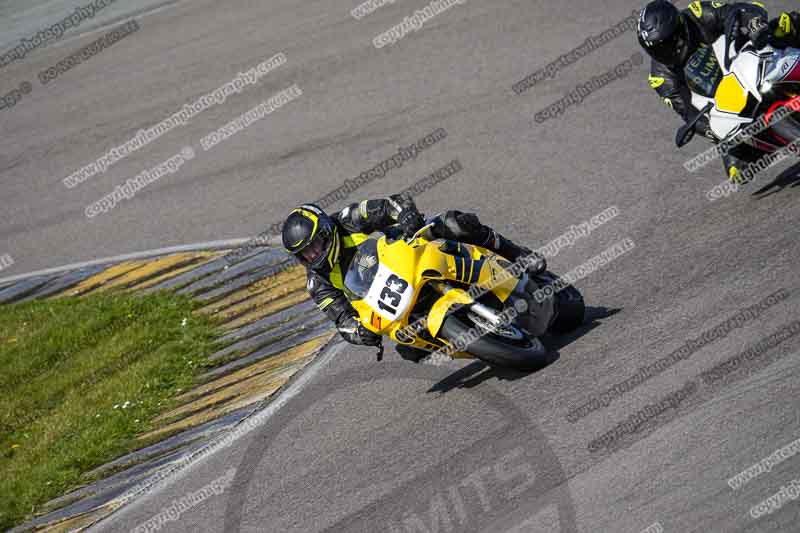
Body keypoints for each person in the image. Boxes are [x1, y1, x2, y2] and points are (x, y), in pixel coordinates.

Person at [280, 195, 543, 359]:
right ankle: (473, 342)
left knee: (454, 223)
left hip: (408, 250)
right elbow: (342, 320)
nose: (314, 255)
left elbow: (390, 204)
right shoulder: (318, 284)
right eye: (306, 254)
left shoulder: (348, 219)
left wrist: (404, 215)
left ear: (327, 230)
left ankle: (516, 253)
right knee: (409, 350)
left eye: (315, 245)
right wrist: (359, 332)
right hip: (389, 297)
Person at [637, 0, 800, 182]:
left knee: (785, 25)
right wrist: (715, 133)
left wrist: (754, 23)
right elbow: (689, 113)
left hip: (746, 56)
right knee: (737, 168)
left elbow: (742, 9)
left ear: (679, 29)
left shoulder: (698, 14)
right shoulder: (660, 78)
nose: (664, 53)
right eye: (656, 50)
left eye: (667, 44)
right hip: (723, 100)